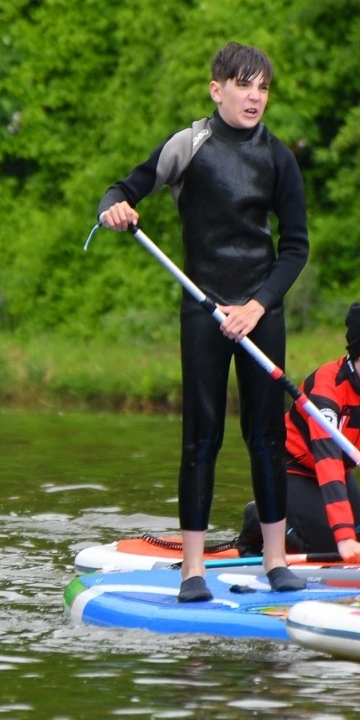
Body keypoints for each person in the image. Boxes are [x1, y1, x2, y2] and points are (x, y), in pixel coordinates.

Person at [99, 42, 310, 602]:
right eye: (244, 85)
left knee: (266, 435)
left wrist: (257, 306)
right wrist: (114, 208)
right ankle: (193, 571)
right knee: (202, 437)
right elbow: (124, 188)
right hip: (203, 308)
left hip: (260, 311)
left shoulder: (279, 158)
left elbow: (295, 248)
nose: (255, 97)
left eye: (263, 87)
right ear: (217, 89)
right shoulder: (187, 145)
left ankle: (275, 561)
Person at [236, 303, 360, 564]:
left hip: (337, 471)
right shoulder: (325, 388)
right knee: (334, 546)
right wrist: (344, 535)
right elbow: (328, 460)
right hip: (291, 468)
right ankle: (259, 515)